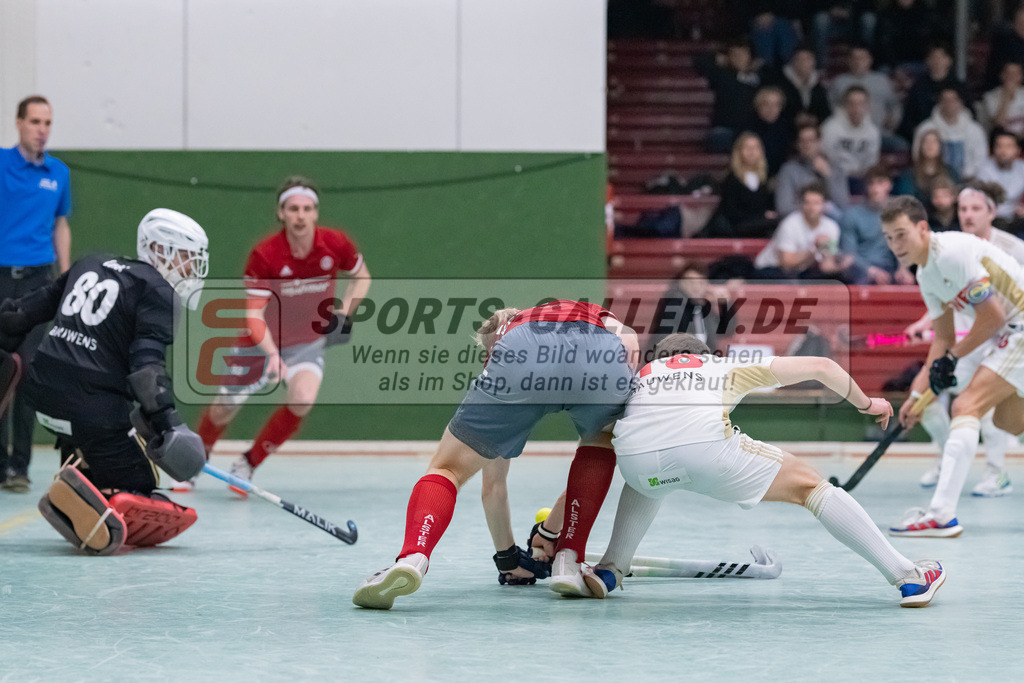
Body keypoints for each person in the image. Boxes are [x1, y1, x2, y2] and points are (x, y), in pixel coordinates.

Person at [579, 332, 945, 608]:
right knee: (812, 488)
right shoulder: (720, 366)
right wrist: (867, 404)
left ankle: (611, 568)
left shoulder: (641, 376)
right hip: (707, 451)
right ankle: (908, 576)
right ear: (703, 356)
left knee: (647, 477)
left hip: (637, 464)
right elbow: (822, 366)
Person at [352, 300, 639, 609]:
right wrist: (548, 532)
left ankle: (412, 558)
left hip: (523, 356)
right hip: (600, 354)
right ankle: (568, 561)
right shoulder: (581, 311)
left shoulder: (509, 340)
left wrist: (508, 558)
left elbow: (493, 488)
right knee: (599, 444)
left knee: (448, 468)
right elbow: (629, 339)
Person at [0, 208, 209, 555]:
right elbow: (146, 368)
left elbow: (21, 313)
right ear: (162, 251)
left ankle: (79, 472)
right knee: (144, 480)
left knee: (97, 429)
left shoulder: (90, 263)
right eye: (188, 259)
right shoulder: (159, 291)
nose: (192, 270)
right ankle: (95, 492)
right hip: (91, 407)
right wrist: (169, 425)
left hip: (41, 393)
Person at [194, 176, 370, 494]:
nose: (300, 215)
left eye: (307, 209)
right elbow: (254, 314)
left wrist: (344, 313)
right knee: (224, 407)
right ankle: (195, 461)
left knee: (302, 399)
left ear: (315, 213)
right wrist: (272, 354)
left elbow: (362, 277)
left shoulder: (336, 244)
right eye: (293, 209)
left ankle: (248, 464)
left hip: (307, 343)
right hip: (260, 343)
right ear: (281, 213)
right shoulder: (265, 254)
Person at [884, 195, 1024, 537]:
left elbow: (992, 318)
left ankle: (941, 514)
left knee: (966, 405)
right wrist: (917, 397)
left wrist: (954, 356)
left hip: (1017, 326)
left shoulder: (951, 253)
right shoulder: (926, 275)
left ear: (922, 228)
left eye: (901, 234)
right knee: (1009, 420)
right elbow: (943, 339)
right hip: (1009, 334)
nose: (896, 245)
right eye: (888, 238)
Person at [0, 95, 72, 493]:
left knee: (26, 371)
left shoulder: (58, 173)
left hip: (37, 282)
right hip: (0, 277)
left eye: (47, 122)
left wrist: (66, 278)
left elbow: (61, 225)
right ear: (18, 123)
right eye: (35, 121)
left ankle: (19, 467)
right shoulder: (1, 163)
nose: (42, 130)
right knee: (1, 371)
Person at [754, 182, 858, 283]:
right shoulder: (789, 224)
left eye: (816, 203)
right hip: (770, 269)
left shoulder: (831, 227)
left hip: (803, 272)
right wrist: (813, 249)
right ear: (801, 204)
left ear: (824, 204)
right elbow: (786, 265)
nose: (812, 208)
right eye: (808, 203)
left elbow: (826, 266)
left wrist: (843, 265)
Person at [839, 164, 914, 285]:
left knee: (908, 280)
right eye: (871, 184)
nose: (875, 189)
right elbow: (849, 255)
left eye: (880, 183)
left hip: (889, 270)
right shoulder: (852, 215)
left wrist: (903, 269)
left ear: (889, 185)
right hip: (860, 271)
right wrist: (870, 271)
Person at [827, 45, 906, 153]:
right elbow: (832, 109)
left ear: (870, 60)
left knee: (901, 146)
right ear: (849, 61)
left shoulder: (882, 81)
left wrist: (893, 122)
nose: (858, 61)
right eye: (855, 58)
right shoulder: (839, 82)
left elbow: (894, 105)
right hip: (847, 135)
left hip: (880, 133)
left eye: (862, 58)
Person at [695, 38, 766, 153]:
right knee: (718, 140)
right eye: (735, 54)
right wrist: (716, 57)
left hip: (751, 129)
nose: (739, 57)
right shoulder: (721, 74)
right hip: (725, 130)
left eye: (743, 54)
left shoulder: (760, 76)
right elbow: (699, 62)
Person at [703, 132, 778, 238]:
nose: (751, 151)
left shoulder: (765, 180)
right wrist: (760, 216)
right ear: (739, 152)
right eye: (747, 148)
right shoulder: (731, 180)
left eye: (755, 148)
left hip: (759, 226)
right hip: (737, 228)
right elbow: (731, 211)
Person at [913, 86, 989, 180]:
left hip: (968, 180)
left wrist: (963, 177)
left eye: (953, 100)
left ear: (960, 102)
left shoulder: (975, 130)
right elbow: (917, 156)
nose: (949, 104)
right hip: (932, 180)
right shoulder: (925, 128)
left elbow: (981, 160)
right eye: (945, 100)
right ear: (939, 103)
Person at [775, 122, 849, 217]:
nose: (807, 145)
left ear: (819, 142)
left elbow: (843, 205)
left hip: (831, 220)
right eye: (802, 141)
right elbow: (784, 208)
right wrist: (814, 208)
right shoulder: (788, 170)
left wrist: (828, 176)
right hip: (801, 220)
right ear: (798, 144)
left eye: (811, 140)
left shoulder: (835, 167)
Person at [898, 43, 966, 143]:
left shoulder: (958, 87)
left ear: (949, 60)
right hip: (923, 137)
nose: (937, 61)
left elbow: (968, 114)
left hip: (956, 136)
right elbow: (909, 119)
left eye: (940, 57)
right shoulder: (918, 87)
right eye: (933, 57)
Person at [821, 85, 881, 194]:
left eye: (861, 103)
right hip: (835, 177)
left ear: (867, 106)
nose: (856, 108)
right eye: (852, 103)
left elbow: (871, 162)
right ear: (845, 105)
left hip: (862, 178)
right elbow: (826, 157)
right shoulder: (830, 128)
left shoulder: (873, 131)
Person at [893, 129, 959, 211]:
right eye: (926, 142)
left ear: (941, 147)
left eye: (934, 142)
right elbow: (906, 202)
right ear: (920, 146)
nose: (930, 145)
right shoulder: (909, 175)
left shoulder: (950, 173)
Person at [774, 45, 831, 129]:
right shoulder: (781, 84)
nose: (803, 63)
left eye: (807, 59)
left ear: (814, 62)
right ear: (793, 61)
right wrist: (794, 119)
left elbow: (826, 112)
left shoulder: (818, 85)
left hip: (813, 130)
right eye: (799, 59)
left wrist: (815, 119)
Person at [976, 129, 1024, 222]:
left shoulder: (1022, 167)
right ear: (993, 149)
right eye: (999, 146)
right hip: (992, 219)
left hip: (1017, 219)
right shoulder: (984, 171)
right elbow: (983, 204)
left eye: (1008, 146)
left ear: (1018, 150)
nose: (1003, 151)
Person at [975, 62, 1024, 136]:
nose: (1012, 77)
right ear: (1002, 75)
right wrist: (1006, 96)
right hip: (1003, 137)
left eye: (1016, 73)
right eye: (1009, 73)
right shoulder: (990, 96)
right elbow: (998, 124)